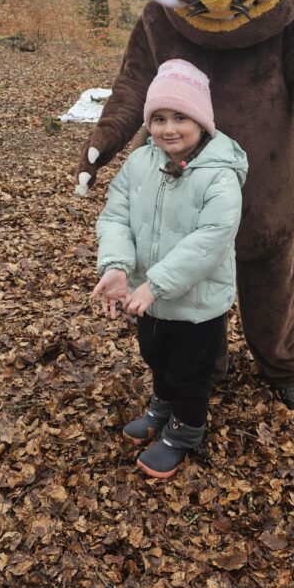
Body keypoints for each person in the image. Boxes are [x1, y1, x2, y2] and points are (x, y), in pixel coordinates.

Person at [91, 59, 248, 479]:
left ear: (201, 121)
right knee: (155, 356)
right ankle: (161, 407)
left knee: (191, 371)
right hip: (147, 297)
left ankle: (185, 430)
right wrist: (118, 266)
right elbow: (115, 216)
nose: (168, 128)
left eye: (181, 117)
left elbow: (211, 238)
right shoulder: (140, 163)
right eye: (158, 118)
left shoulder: (219, 175)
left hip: (196, 302)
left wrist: (157, 283)